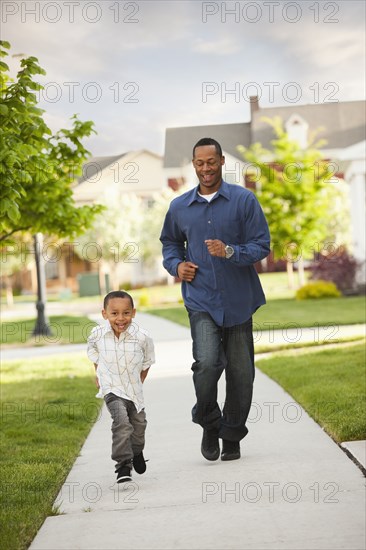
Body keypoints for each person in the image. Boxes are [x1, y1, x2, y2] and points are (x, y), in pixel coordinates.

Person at [160, 137, 270, 462]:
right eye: (199, 163)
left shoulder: (243, 200)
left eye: (211, 162)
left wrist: (231, 251)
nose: (205, 168)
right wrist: (177, 265)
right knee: (207, 364)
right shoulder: (179, 207)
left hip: (238, 300)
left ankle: (231, 435)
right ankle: (210, 422)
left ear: (222, 161)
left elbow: (262, 245)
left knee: (241, 372)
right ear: (193, 164)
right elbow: (169, 243)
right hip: (201, 299)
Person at [87, 290, 155, 483]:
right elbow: (93, 351)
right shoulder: (98, 335)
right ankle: (123, 465)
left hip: (134, 392)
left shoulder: (142, 337)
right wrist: (98, 372)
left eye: (126, 313)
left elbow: (148, 360)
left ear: (133, 313)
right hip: (112, 390)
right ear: (104, 314)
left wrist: (140, 380)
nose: (120, 318)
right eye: (114, 313)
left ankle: (137, 451)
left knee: (139, 425)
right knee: (122, 424)